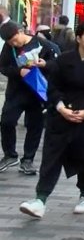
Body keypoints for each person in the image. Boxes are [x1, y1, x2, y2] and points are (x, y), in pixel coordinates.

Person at [19, 22, 84, 218]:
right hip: (61, 116)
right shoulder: (63, 60)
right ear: (78, 38)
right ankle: (40, 199)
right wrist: (60, 107)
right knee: (51, 157)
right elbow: (52, 87)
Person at [0, 22, 59, 175]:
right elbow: (3, 67)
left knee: (35, 126)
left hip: (37, 92)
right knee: (6, 121)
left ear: (21, 32)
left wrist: (44, 64)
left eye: (15, 39)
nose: (14, 44)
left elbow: (57, 64)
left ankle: (28, 159)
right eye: (10, 42)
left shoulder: (43, 44)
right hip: (16, 92)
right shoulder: (9, 48)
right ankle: (10, 154)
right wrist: (18, 72)